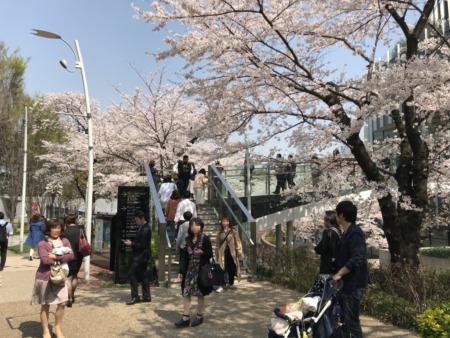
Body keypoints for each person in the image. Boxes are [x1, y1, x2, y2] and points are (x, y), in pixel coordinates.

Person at [30, 219, 74, 338]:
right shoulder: (42, 244)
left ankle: (57, 327)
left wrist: (56, 256)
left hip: (61, 277)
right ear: (48, 229)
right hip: (45, 277)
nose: (56, 230)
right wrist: (61, 257)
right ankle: (45, 331)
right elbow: (45, 260)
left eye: (58, 227)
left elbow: (71, 255)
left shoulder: (65, 241)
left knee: (63, 303)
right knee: (46, 304)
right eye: (53, 228)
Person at [332, 201, 369, 338]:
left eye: (336, 213)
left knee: (352, 322)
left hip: (354, 284)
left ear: (341, 215)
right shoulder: (347, 232)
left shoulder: (355, 233)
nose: (336, 216)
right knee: (346, 321)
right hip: (347, 284)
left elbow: (356, 258)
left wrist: (339, 273)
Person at [174, 217, 213, 328]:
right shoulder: (187, 240)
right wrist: (181, 270)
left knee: (200, 294)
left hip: (200, 270)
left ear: (201, 226)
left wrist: (202, 253)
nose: (193, 227)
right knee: (186, 293)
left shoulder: (205, 239)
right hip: (189, 270)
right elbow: (184, 257)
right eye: (192, 225)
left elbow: (210, 254)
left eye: (196, 225)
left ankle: (199, 316)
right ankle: (185, 317)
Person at [124, 210, 152, 305]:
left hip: (141, 256)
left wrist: (132, 243)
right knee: (143, 276)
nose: (136, 222)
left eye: (137, 220)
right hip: (142, 256)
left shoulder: (145, 229)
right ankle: (146, 296)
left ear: (142, 219)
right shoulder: (143, 227)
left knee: (131, 273)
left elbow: (143, 245)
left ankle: (135, 296)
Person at [215, 217, 244, 292]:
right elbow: (217, 243)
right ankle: (223, 283)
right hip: (223, 251)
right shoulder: (220, 232)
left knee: (232, 267)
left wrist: (239, 250)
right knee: (223, 267)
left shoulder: (233, 231)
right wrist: (216, 253)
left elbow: (237, 241)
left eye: (226, 221)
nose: (224, 223)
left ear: (229, 222)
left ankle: (230, 282)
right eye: (223, 221)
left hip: (232, 251)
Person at [61, 214, 83, 307]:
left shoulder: (65, 232)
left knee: (68, 278)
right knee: (75, 275)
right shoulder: (81, 231)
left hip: (68, 256)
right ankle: (72, 295)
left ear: (66, 222)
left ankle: (68, 298)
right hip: (79, 256)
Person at [313, 211, 342, 276]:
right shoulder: (339, 230)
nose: (323, 222)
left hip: (327, 266)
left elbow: (322, 248)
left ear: (328, 220)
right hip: (337, 266)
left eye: (324, 220)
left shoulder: (328, 232)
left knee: (325, 285)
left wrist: (316, 247)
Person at [176, 211, 193, 293]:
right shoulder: (194, 224)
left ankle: (184, 287)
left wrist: (177, 247)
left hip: (183, 247)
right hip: (192, 247)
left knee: (183, 265)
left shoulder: (182, 225)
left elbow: (179, 237)